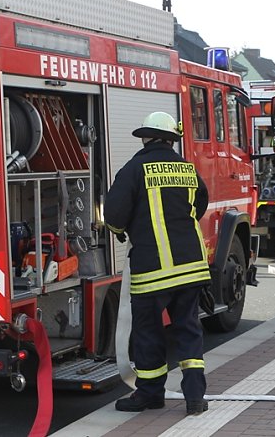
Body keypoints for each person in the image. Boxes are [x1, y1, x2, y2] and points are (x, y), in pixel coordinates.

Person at [104, 111, 211, 416]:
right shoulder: (187, 169)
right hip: (191, 268)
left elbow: (113, 215)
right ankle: (195, 398)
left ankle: (150, 394)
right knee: (189, 331)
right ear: (171, 139)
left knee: (148, 334)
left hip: (152, 272)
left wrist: (122, 230)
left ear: (146, 137)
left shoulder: (133, 169)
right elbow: (199, 205)